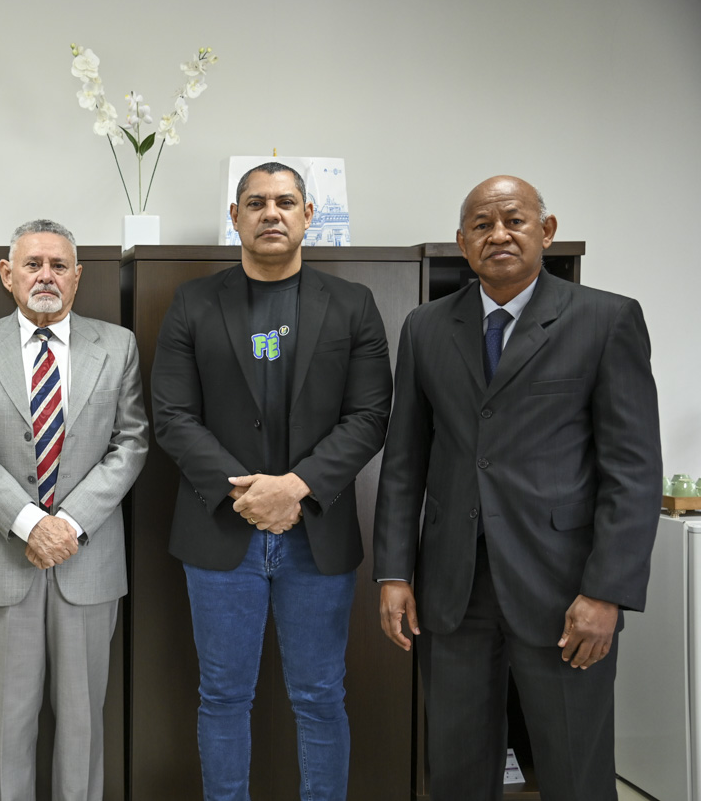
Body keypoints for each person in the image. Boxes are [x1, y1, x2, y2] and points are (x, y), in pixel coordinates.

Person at [373, 175, 661, 801]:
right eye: (481, 224)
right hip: (453, 587)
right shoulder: (425, 328)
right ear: (461, 242)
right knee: (455, 766)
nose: (497, 234)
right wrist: (394, 572)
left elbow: (633, 472)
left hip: (565, 590)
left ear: (545, 230)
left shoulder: (606, 319)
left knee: (574, 769)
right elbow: (404, 462)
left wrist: (605, 592)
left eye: (513, 220)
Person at [150, 162, 392, 801]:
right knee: (222, 696)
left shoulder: (352, 304)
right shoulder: (194, 302)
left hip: (318, 535)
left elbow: (371, 417)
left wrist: (297, 487)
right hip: (218, 535)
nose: (271, 213)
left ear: (309, 215)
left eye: (286, 201)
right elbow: (172, 416)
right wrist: (249, 494)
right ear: (235, 217)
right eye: (255, 202)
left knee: (319, 696)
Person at [0, 219, 148, 801]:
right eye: (33, 264)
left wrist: (70, 524)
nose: (46, 276)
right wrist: (32, 524)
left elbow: (131, 442)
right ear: (8, 275)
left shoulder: (117, 345)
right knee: (9, 724)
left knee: (84, 723)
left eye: (59, 266)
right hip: (6, 562)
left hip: (90, 562)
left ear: (78, 278)